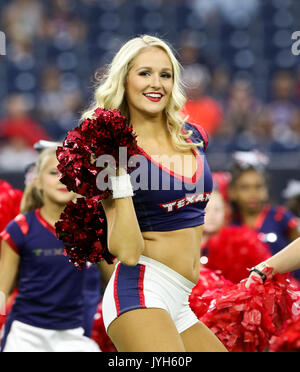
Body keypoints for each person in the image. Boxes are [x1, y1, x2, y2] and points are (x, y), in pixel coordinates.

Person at [81, 35, 227, 352]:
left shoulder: (194, 136)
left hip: (180, 299)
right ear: (124, 79)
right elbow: (128, 252)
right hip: (140, 292)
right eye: (144, 73)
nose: (156, 83)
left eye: (165, 74)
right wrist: (119, 178)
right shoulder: (111, 151)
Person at [0, 146, 102, 352]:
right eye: (54, 172)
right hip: (25, 335)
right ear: (37, 181)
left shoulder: (92, 228)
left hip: (74, 335)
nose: (62, 179)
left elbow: (117, 277)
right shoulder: (21, 228)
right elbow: (3, 289)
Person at [228, 152, 300, 280]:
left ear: (266, 190)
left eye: (258, 187)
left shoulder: (281, 217)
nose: (252, 193)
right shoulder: (229, 224)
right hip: (247, 291)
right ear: (232, 192)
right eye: (245, 188)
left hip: (287, 292)